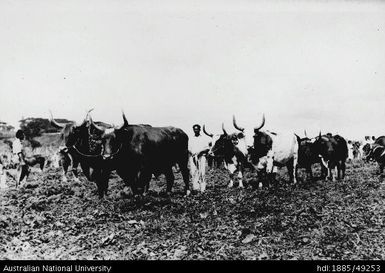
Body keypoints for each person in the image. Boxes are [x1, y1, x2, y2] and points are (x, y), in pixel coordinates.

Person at [188, 124, 210, 193]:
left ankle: (203, 188)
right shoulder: (191, 138)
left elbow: (207, 148)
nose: (196, 130)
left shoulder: (203, 138)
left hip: (201, 157)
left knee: (202, 172)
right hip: (193, 157)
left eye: (197, 129)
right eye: (194, 129)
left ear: (200, 130)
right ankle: (196, 188)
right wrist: (192, 153)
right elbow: (188, 148)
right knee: (194, 172)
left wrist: (200, 152)